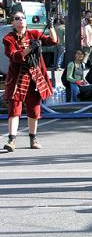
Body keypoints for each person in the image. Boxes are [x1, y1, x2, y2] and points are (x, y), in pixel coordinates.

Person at [2, 12, 58, 152]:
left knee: (34, 109)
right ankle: (11, 139)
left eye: (22, 18)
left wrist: (51, 27)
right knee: (14, 109)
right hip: (17, 79)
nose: (20, 20)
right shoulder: (8, 38)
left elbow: (53, 41)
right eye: (17, 18)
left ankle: (33, 138)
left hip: (34, 78)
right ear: (13, 23)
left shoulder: (34, 33)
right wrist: (30, 48)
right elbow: (14, 56)